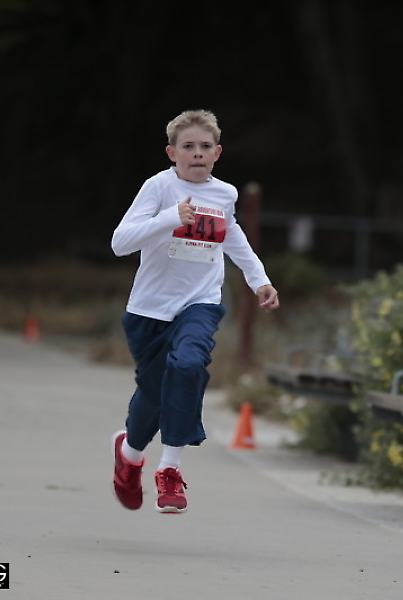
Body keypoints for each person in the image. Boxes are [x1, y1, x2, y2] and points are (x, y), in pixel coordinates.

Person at [110, 109, 279, 514]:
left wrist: (259, 280)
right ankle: (129, 456)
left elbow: (233, 236)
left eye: (205, 146)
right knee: (154, 395)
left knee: (187, 367)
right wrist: (170, 217)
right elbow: (120, 243)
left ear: (217, 153)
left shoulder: (225, 194)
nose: (197, 153)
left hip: (200, 303)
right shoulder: (158, 187)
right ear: (172, 153)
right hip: (150, 310)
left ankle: (170, 469)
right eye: (188, 146)